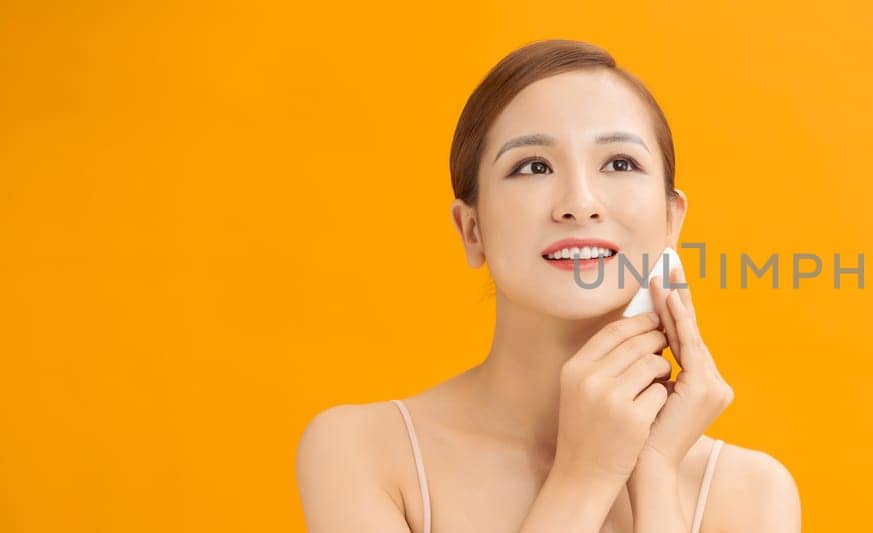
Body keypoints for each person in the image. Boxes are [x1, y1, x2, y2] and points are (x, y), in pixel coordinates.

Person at [295, 39, 801, 533]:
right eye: (533, 166)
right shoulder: (363, 453)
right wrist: (584, 478)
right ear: (472, 231)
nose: (579, 202)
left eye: (620, 163)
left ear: (672, 222)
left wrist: (656, 470)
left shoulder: (752, 492)